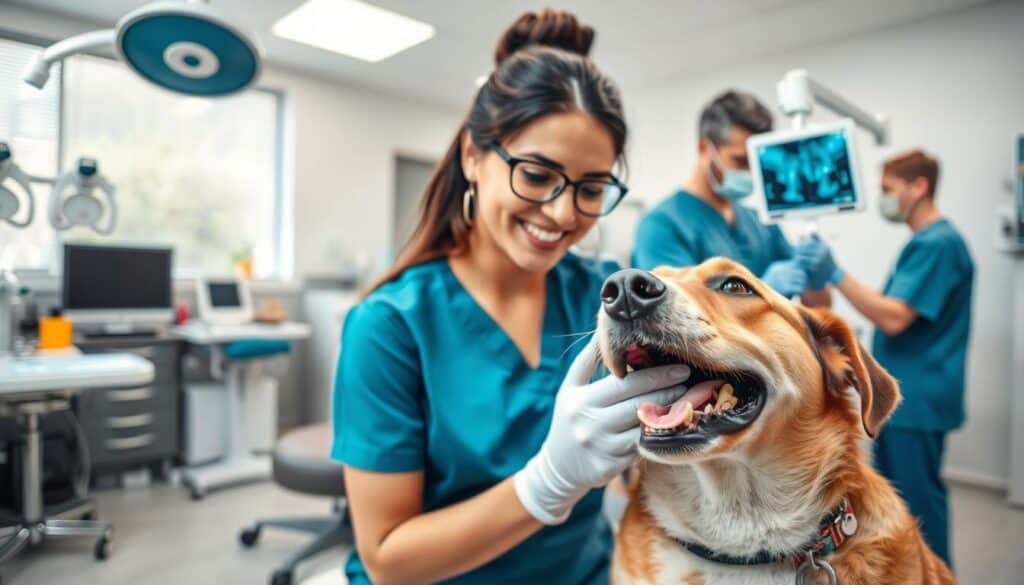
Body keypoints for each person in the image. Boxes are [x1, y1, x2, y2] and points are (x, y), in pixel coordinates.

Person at [331, 10, 691, 585]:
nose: (561, 212)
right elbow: (386, 558)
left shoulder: (602, 295)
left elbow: (637, 466)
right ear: (474, 157)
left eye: (591, 188)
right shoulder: (391, 325)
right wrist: (546, 483)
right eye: (536, 174)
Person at [795, 149, 973, 567]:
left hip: (919, 398)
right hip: (913, 396)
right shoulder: (925, 244)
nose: (883, 198)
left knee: (919, 508)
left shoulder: (939, 244)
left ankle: (934, 574)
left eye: (887, 190)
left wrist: (836, 274)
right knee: (903, 498)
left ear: (919, 187)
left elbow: (894, 317)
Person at [632, 90, 829, 306]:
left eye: (756, 162)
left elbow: (819, 307)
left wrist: (817, 278)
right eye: (740, 160)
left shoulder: (761, 222)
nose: (750, 172)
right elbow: (680, 320)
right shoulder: (661, 225)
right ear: (705, 148)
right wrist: (760, 292)